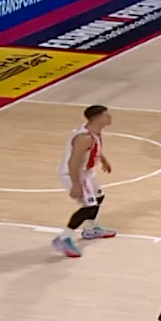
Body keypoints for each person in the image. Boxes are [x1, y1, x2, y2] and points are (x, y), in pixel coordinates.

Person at [54, 105, 116, 259]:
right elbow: (73, 162)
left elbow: (94, 147)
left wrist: (103, 160)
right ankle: (63, 238)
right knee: (89, 207)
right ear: (98, 118)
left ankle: (90, 229)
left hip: (86, 172)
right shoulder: (84, 138)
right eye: (106, 115)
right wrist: (76, 184)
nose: (110, 117)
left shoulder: (93, 131)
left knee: (99, 197)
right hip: (75, 173)